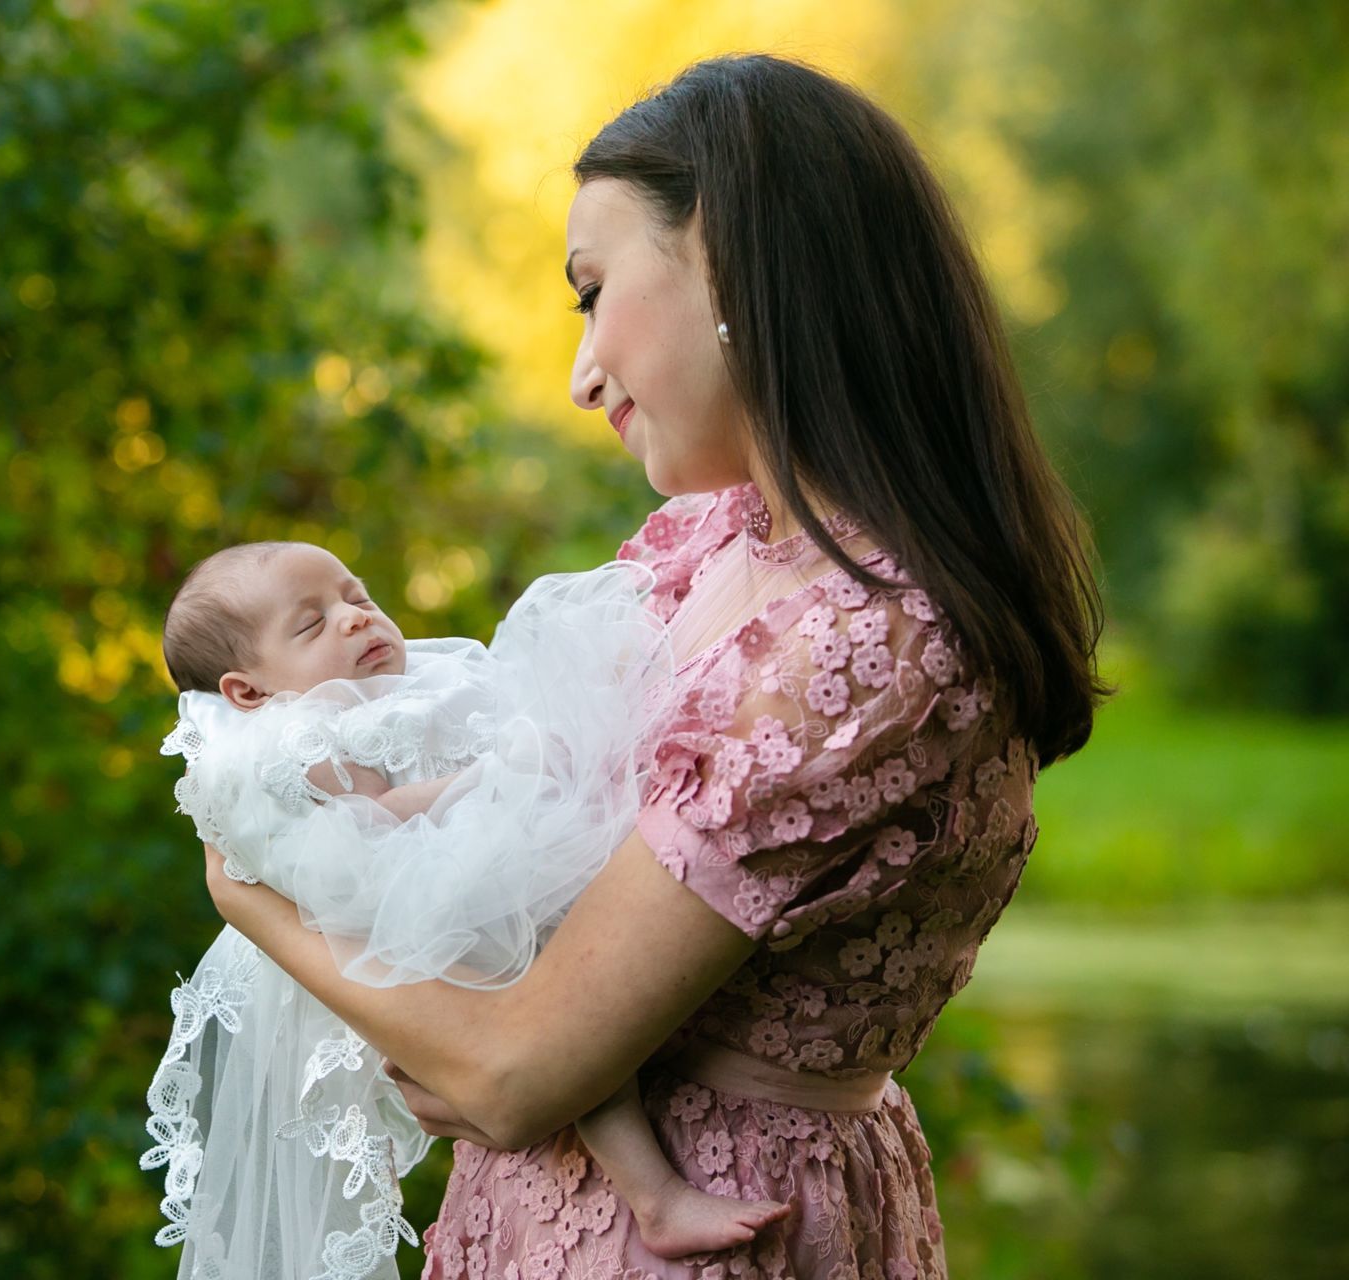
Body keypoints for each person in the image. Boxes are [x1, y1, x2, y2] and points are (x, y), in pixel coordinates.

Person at [198, 53, 1105, 1279]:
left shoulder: (870, 639)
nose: (580, 377)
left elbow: (514, 1072)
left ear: (732, 262)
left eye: (592, 290)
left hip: (701, 1237)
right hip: (548, 1218)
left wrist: (252, 901)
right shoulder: (705, 540)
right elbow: (514, 873)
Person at [146, 541, 788, 1280]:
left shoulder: (417, 682)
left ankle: (652, 1189)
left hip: (444, 890)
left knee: (571, 990)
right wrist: (497, 774)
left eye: (356, 596)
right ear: (249, 690)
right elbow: (378, 822)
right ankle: (655, 1196)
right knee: (560, 1018)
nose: (354, 619)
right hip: (403, 921)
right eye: (312, 623)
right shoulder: (289, 744)